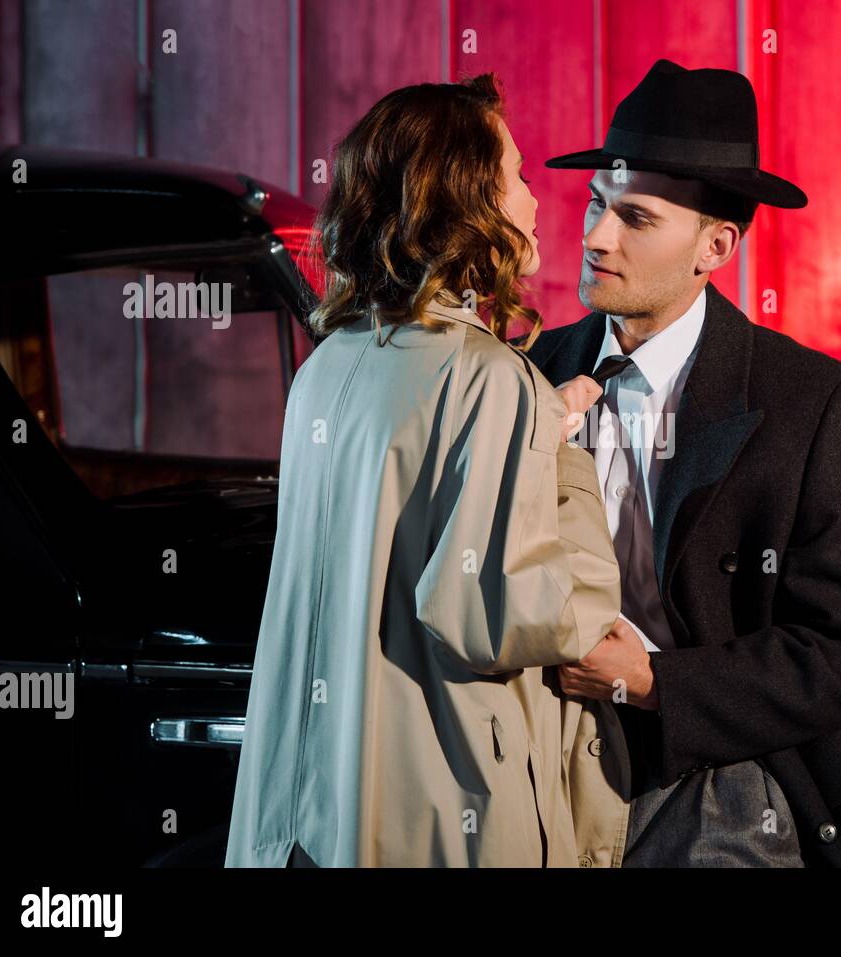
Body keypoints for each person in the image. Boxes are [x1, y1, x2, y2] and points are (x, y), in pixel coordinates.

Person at [525, 58, 841, 866]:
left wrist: (651, 682)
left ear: (716, 244)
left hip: (741, 778)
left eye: (635, 219)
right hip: (543, 757)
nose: (597, 238)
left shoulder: (821, 406)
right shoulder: (525, 373)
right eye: (598, 205)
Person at [225, 74, 630, 867]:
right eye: (514, 175)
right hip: (439, 817)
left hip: (309, 815)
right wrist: (566, 460)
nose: (537, 199)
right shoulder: (488, 377)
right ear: (467, 197)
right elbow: (511, 613)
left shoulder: (329, 365)